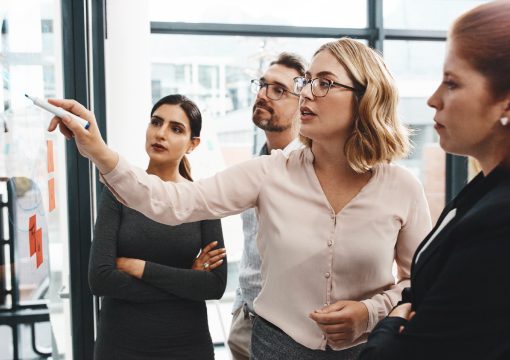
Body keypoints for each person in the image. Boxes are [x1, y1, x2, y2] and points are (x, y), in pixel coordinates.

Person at [48, 38, 431, 359]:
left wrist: (368, 312)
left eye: (325, 83)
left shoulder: (402, 188)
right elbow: (172, 202)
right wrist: (98, 149)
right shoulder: (269, 173)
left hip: (369, 350)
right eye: (307, 81)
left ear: (366, 98)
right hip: (275, 346)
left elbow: (422, 283)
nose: (306, 93)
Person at [358, 1, 510, 359]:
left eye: (452, 83)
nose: (433, 99)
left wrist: (389, 325)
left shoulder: (499, 222)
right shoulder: (484, 189)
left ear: (506, 103)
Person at [88, 94, 228, 360]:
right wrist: (186, 277)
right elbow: (100, 279)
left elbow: (214, 285)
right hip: (120, 346)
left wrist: (140, 268)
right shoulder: (118, 191)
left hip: (187, 346)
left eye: (176, 129)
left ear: (193, 144)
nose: (161, 133)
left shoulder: (203, 198)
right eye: (156, 122)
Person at [227, 52, 305, 360]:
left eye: (279, 90)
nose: (262, 95)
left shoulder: (312, 173)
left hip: (288, 335)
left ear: (305, 105)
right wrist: (240, 308)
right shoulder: (257, 164)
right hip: (245, 321)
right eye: (262, 85)